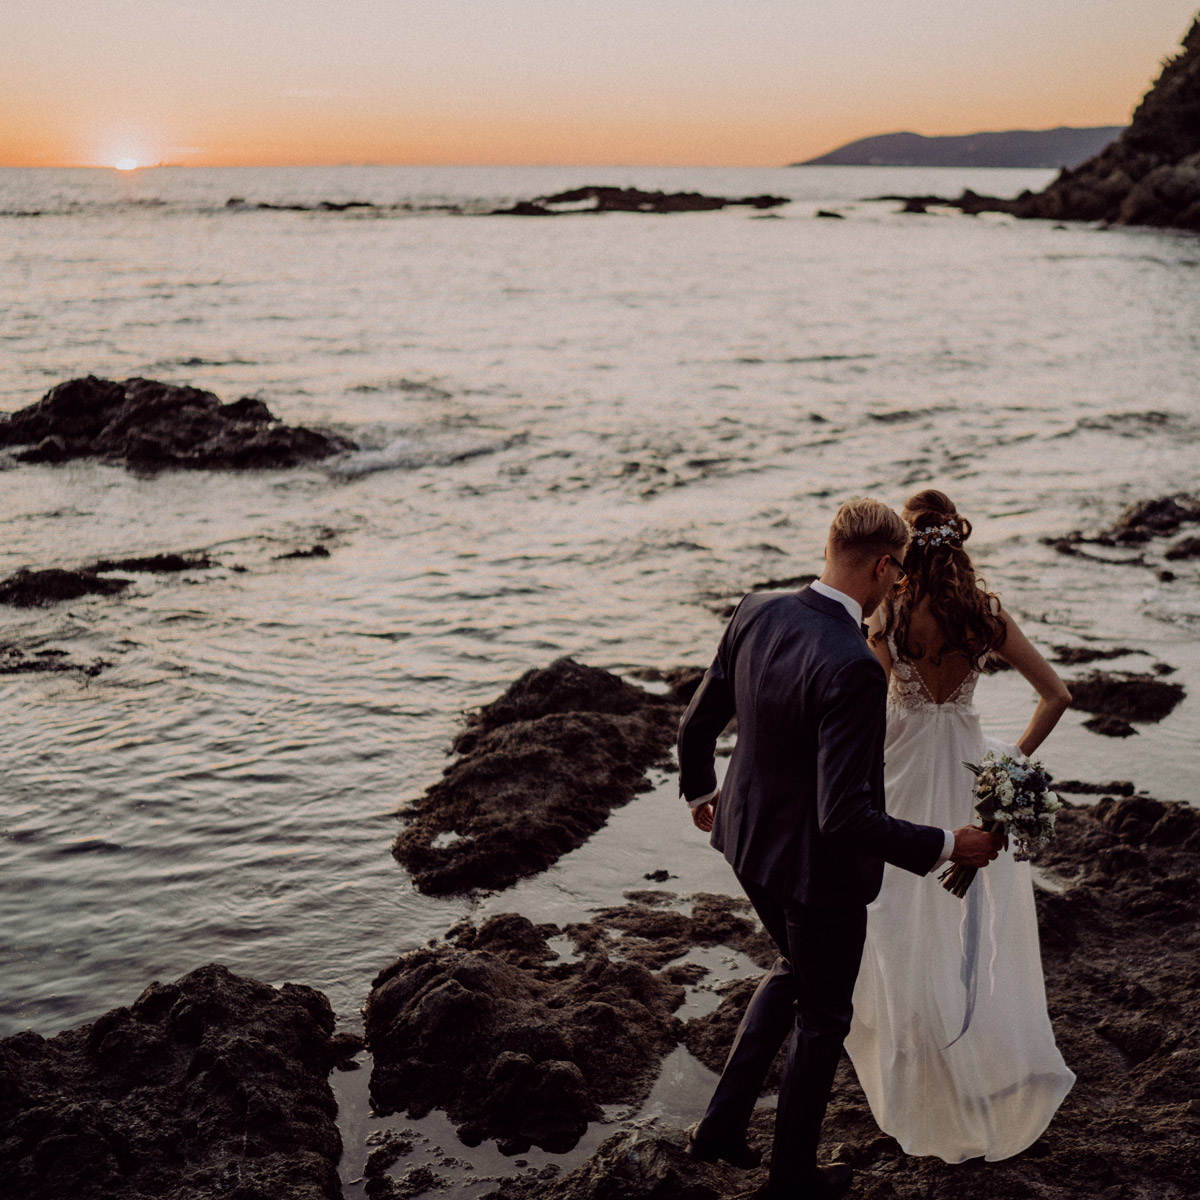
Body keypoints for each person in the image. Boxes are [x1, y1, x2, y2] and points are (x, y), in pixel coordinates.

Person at [677, 497, 1001, 1200]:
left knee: (795, 970)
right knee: (825, 1017)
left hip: (745, 841)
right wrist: (952, 843)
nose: (897, 584)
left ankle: (721, 1129)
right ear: (885, 565)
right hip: (814, 872)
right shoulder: (852, 666)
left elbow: (699, 718)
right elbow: (846, 818)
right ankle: (790, 1178)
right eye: (897, 572)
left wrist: (701, 791)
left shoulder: (757, 608)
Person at [843, 489, 1075, 1162]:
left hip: (903, 770)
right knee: (967, 921)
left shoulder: (889, 614)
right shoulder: (985, 613)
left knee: (897, 918)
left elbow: (864, 702)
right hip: (974, 774)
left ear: (906, 546)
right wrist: (1008, 766)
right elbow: (1058, 694)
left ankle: (915, 1063)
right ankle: (968, 1052)